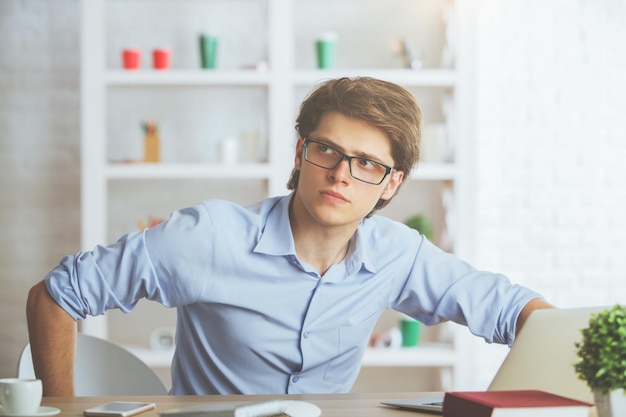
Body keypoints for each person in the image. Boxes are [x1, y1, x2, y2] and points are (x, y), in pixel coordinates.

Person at [26, 77, 553, 396]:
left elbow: (511, 309)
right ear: (300, 154)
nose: (341, 173)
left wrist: (592, 357)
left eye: (367, 163)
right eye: (327, 149)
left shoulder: (399, 254)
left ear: (392, 184)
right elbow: (55, 295)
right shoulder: (209, 236)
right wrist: (63, 409)